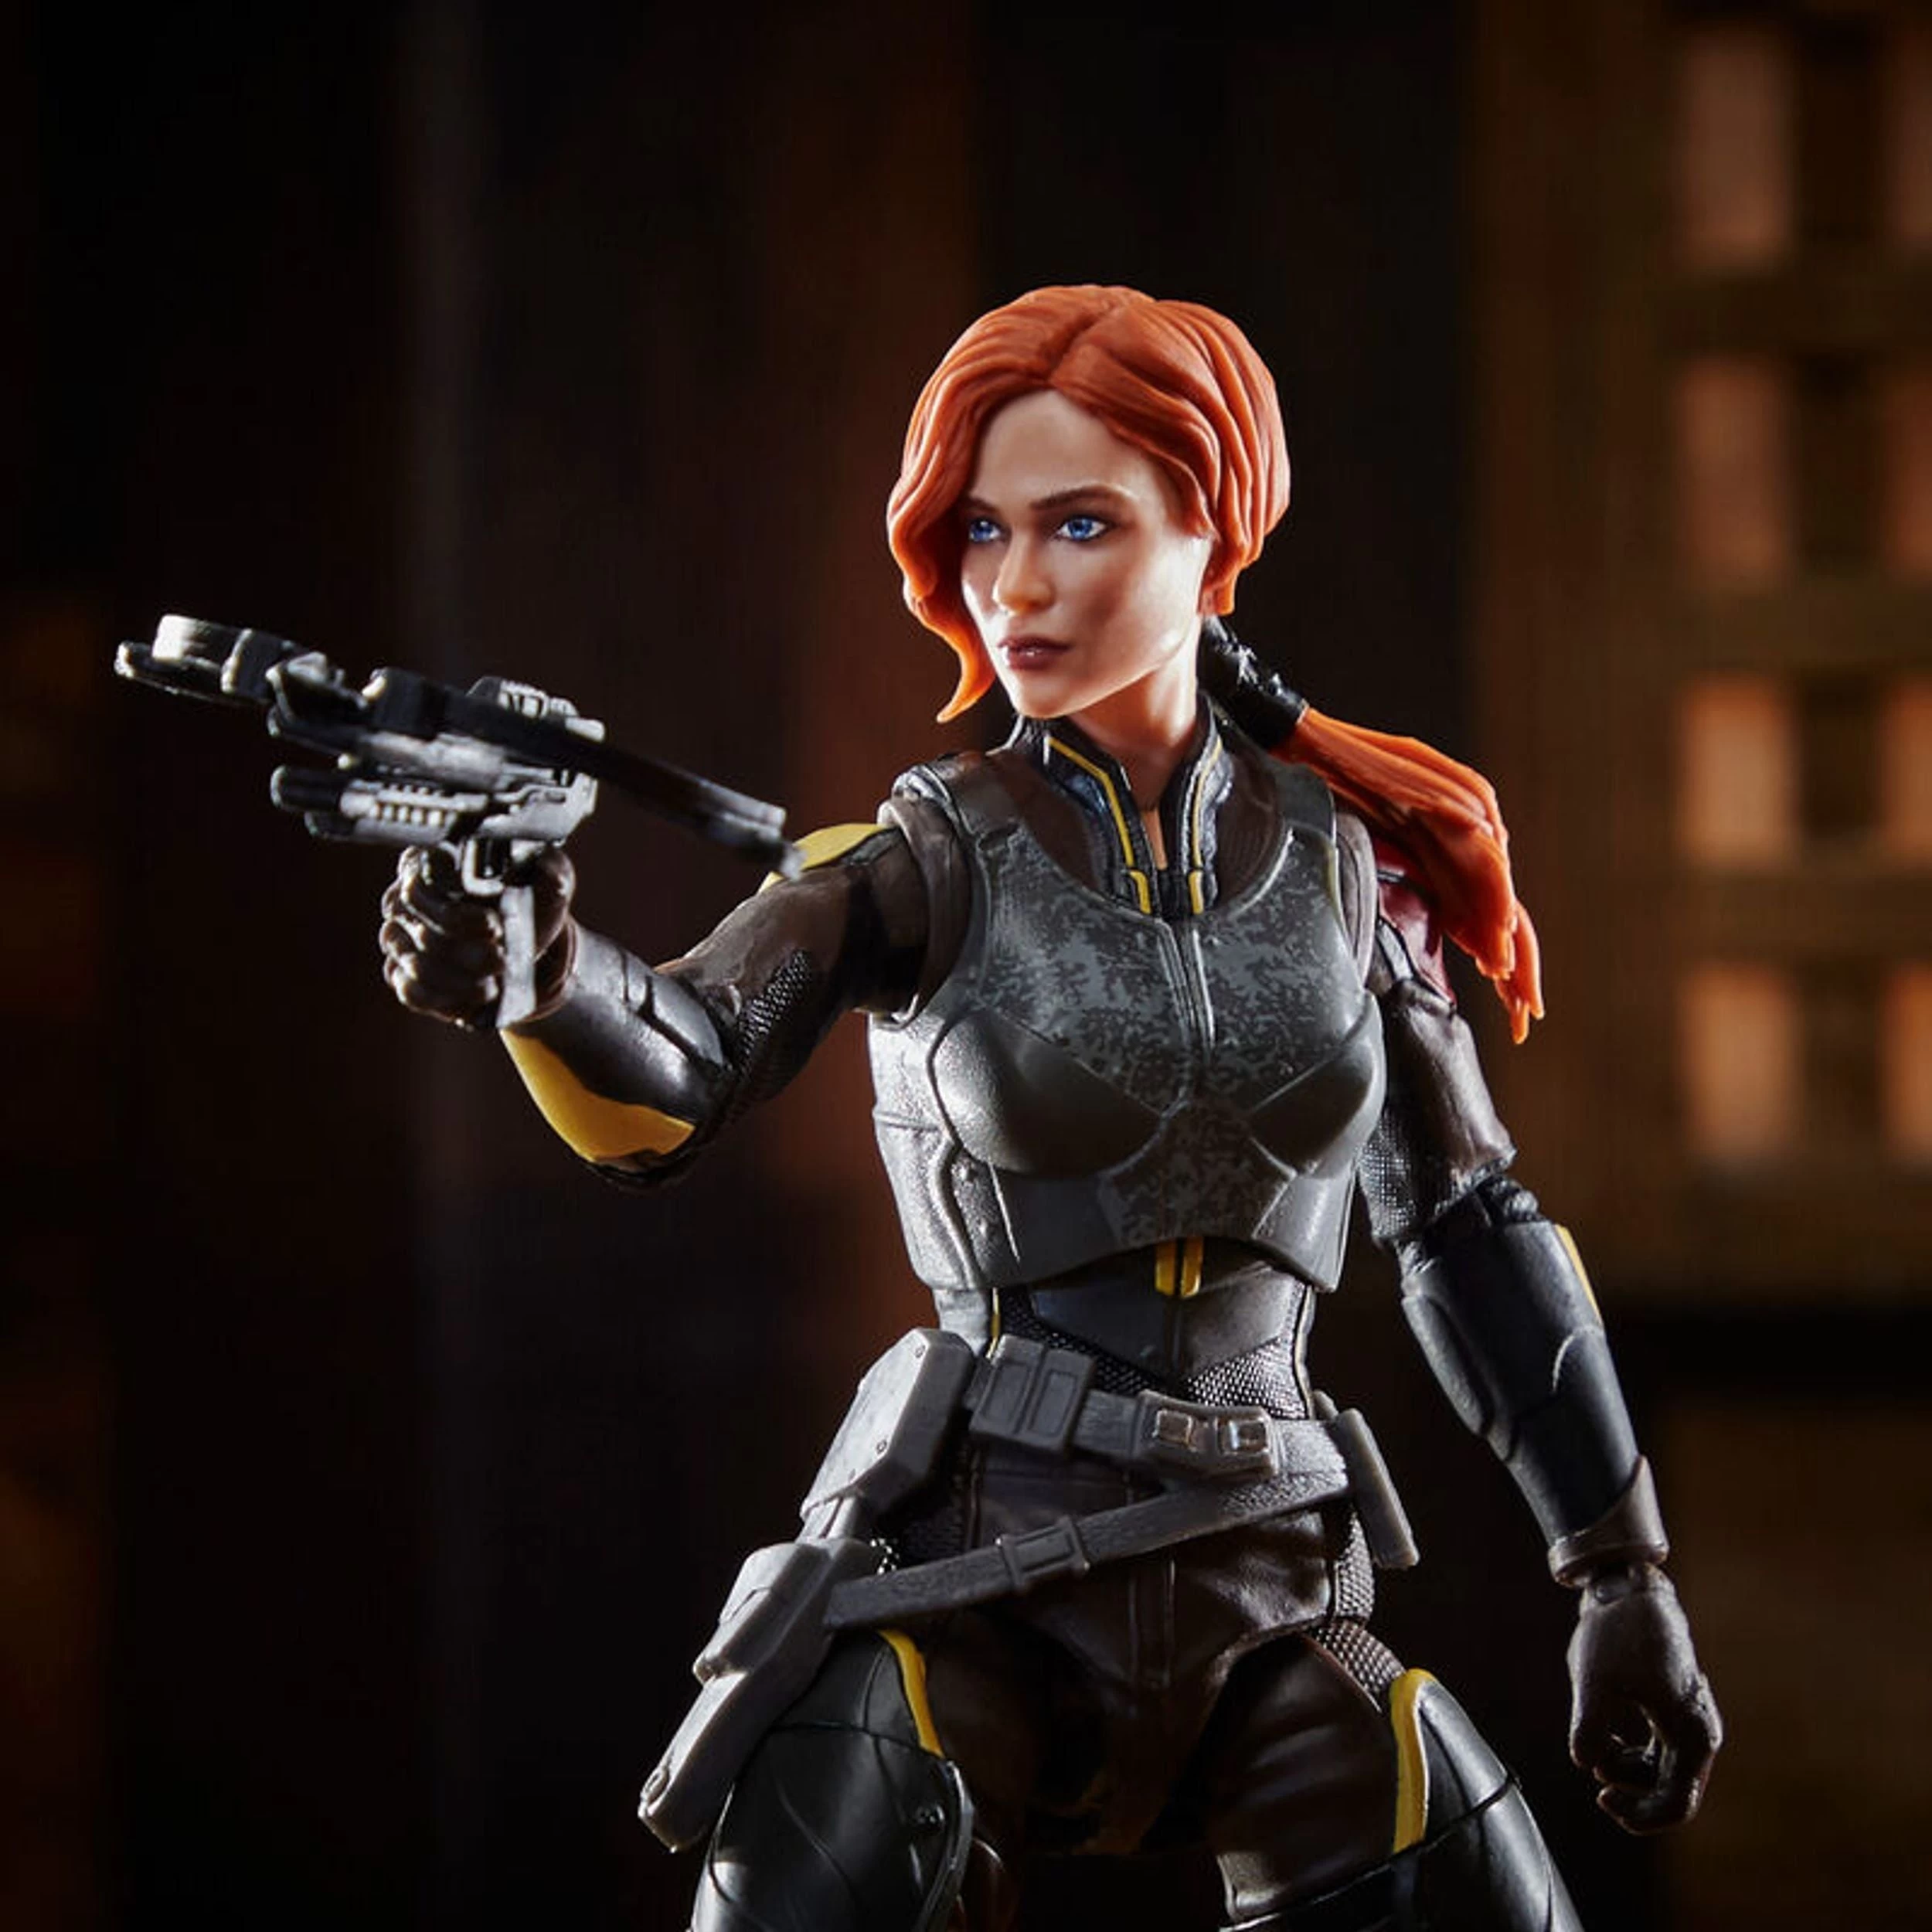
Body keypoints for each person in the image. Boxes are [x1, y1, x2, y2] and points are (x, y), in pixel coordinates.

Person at [379, 286, 1719, 1932]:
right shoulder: (921, 865)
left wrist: (1618, 1570)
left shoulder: (1343, 876)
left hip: (1265, 1580)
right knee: (820, 1842)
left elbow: (1466, 1222)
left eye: (1079, 524)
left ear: (1210, 531)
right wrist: (539, 968)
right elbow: (680, 1072)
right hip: (974, 1580)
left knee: (1468, 1877)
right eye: (981, 530)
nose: (1013, 584)